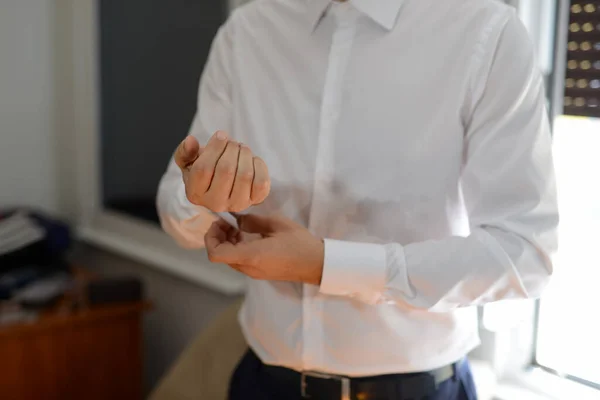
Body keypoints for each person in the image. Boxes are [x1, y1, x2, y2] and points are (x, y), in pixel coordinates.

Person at [156, 0, 559, 398]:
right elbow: (177, 212)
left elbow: (524, 254)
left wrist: (327, 264)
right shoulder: (245, 33)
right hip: (262, 383)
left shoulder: (488, 33)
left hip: (418, 390)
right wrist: (201, 197)